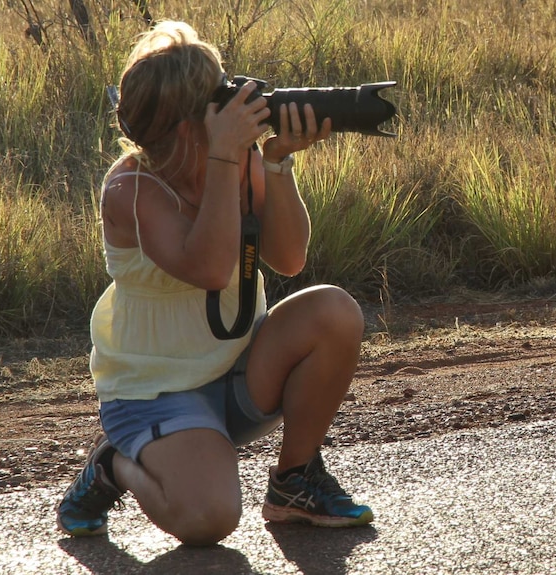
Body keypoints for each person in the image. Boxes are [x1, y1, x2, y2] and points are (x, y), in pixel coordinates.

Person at [56, 20, 373, 545]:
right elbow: (206, 267)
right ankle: (115, 464)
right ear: (187, 123)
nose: (233, 106)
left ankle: (295, 483)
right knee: (210, 520)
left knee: (334, 312)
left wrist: (275, 162)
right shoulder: (131, 188)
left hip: (236, 370)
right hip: (154, 391)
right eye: (218, 99)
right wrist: (228, 157)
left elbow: (289, 259)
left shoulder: (236, 159)